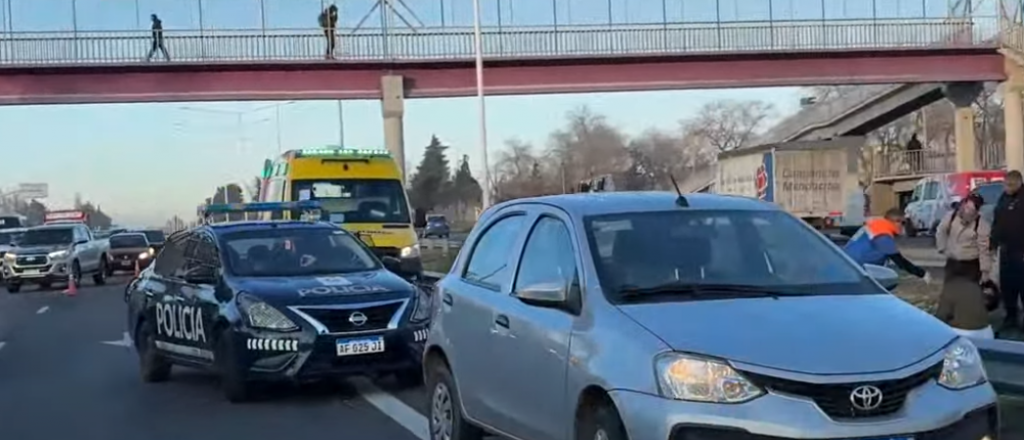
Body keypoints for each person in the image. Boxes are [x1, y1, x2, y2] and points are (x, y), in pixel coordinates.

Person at [934, 192, 994, 338]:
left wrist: (985, 271)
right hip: (953, 262)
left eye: (971, 210)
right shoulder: (951, 216)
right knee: (949, 291)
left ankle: (970, 321)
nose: (967, 212)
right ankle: (946, 319)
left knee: (970, 293)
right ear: (963, 204)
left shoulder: (981, 225)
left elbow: (984, 249)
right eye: (966, 207)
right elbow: (941, 231)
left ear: (977, 211)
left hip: (970, 264)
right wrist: (942, 248)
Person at [843, 208, 932, 283]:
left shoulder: (876, 225)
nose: (904, 227)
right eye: (903, 223)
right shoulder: (882, 235)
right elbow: (900, 262)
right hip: (857, 270)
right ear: (896, 222)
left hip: (847, 263)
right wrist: (922, 274)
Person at [991, 170, 1024, 330]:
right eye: (1005, 184)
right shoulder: (1003, 199)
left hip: (1021, 252)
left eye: (1010, 185)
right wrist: (992, 244)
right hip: (1006, 251)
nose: (1007, 188)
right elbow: (997, 224)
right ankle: (1011, 317)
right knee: (1007, 287)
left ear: (1019, 183)